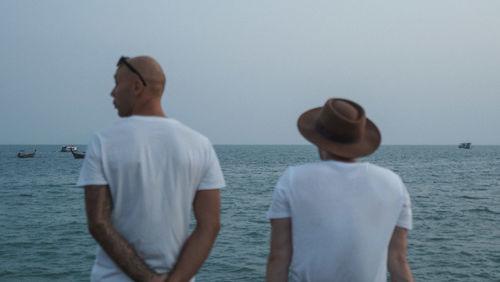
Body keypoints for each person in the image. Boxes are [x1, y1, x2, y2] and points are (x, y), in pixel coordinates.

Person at [77, 56, 225, 282]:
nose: (112, 92)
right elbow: (210, 225)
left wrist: (148, 279)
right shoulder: (199, 145)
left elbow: (98, 222)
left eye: (117, 83)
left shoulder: (103, 142)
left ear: (137, 87)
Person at [266, 98, 414, 282]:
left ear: (318, 139)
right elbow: (398, 262)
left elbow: (278, 258)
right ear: (359, 139)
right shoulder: (393, 183)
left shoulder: (293, 180)